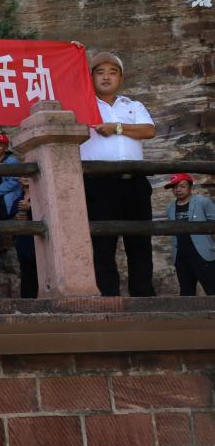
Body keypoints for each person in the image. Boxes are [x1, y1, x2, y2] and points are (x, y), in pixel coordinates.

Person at [79, 51, 157, 297]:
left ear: (121, 78)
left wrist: (117, 128)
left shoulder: (133, 105)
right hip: (99, 184)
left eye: (112, 72)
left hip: (135, 182)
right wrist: (75, 56)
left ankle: (144, 297)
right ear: (91, 77)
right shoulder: (82, 105)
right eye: (100, 72)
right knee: (103, 244)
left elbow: (149, 130)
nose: (106, 77)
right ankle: (108, 297)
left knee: (140, 242)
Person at [165, 173, 215, 296]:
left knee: (212, 289)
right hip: (181, 257)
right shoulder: (170, 208)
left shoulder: (203, 202)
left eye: (182, 186)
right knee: (186, 293)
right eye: (174, 187)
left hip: (202, 255)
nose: (178, 190)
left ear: (190, 187)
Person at [11, 176, 38, 299]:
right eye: (22, 175)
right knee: (27, 276)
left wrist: (30, 209)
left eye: (28, 174)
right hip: (24, 244)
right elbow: (11, 220)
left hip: (39, 243)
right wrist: (16, 218)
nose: (25, 177)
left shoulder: (40, 197)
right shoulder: (17, 200)